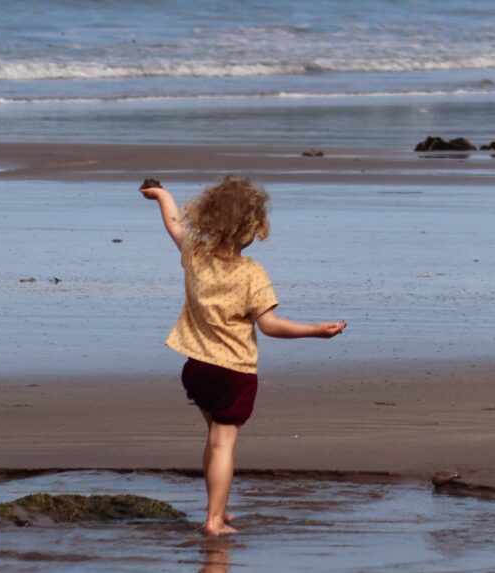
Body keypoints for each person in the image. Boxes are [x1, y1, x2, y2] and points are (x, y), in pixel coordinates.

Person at [141, 175, 346, 536]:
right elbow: (270, 325)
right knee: (224, 443)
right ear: (251, 229)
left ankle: (218, 507)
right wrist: (315, 330)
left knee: (214, 438)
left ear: (207, 217)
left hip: (196, 367)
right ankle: (214, 520)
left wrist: (161, 194)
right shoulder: (252, 273)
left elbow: (174, 224)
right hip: (233, 372)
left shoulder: (195, 254)